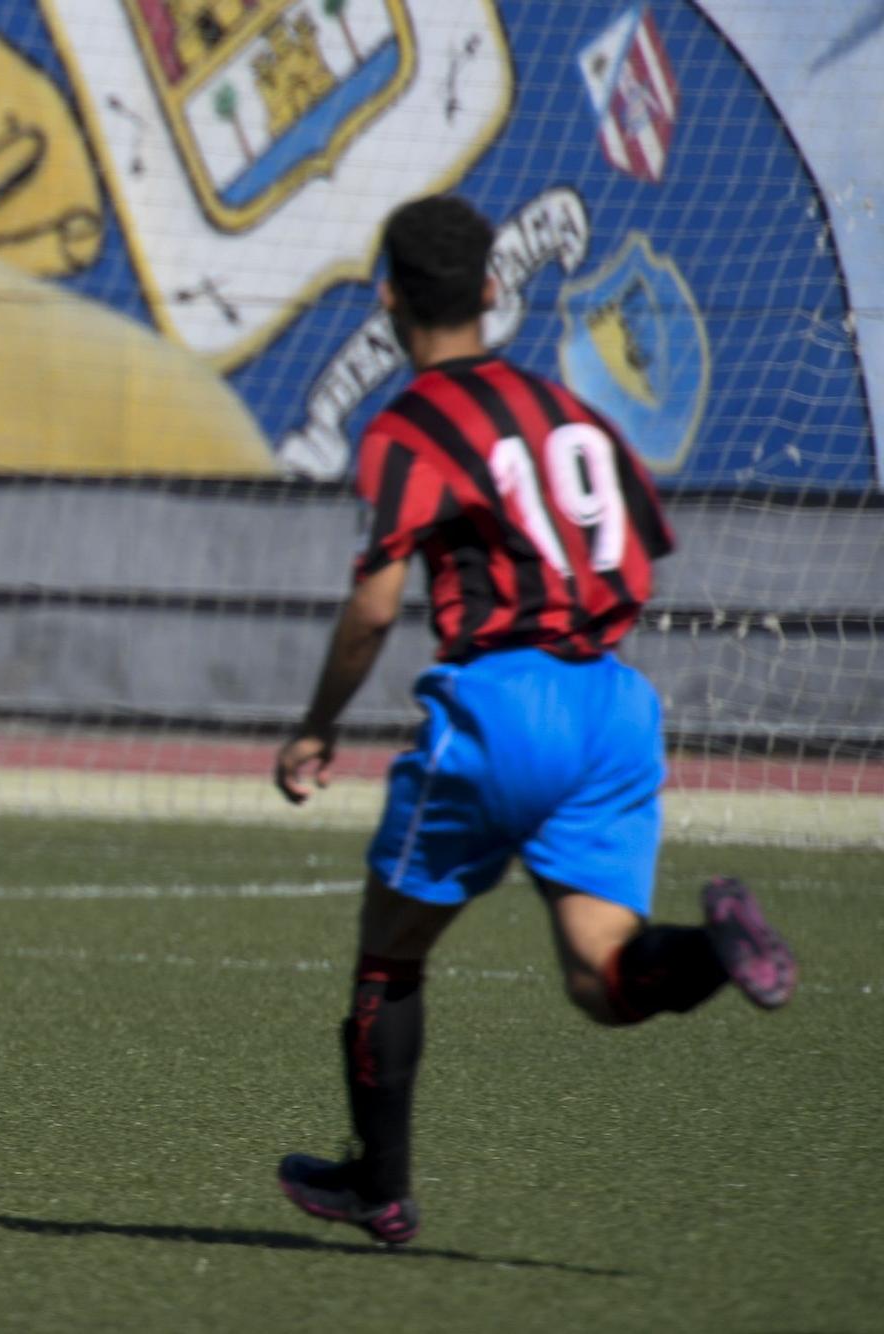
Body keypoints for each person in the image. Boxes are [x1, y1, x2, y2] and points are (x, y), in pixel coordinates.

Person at [270, 195, 797, 1243]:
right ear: (492, 291)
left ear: (386, 300)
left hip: (503, 702)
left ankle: (377, 1182)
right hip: (611, 701)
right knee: (603, 976)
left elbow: (375, 604)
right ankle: (710, 951)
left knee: (389, 949)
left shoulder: (410, 423)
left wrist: (314, 725)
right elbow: (633, 546)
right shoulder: (569, 411)